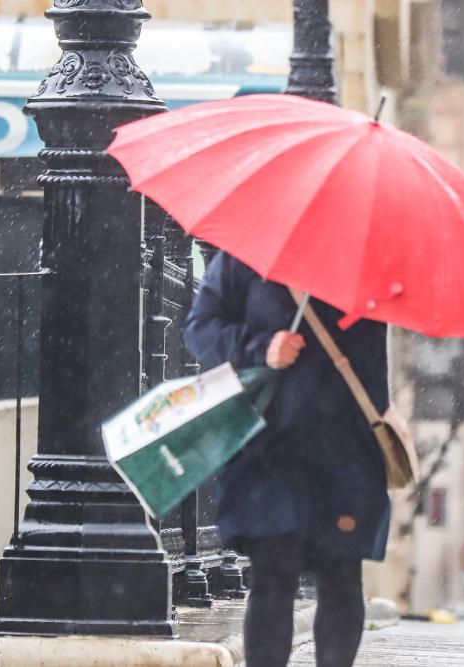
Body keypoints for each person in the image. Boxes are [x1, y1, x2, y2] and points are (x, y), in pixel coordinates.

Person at [184, 251, 391, 667]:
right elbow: (200, 331)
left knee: (342, 577)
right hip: (269, 450)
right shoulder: (247, 258)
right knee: (272, 576)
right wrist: (262, 346)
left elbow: (372, 367)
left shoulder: (365, 263)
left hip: (346, 452)